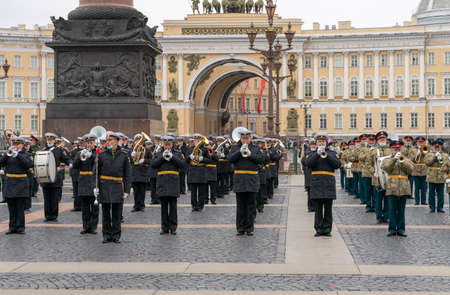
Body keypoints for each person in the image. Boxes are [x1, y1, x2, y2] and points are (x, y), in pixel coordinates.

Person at [227, 128, 263, 236]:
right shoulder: (235, 148)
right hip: (240, 180)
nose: (245, 140)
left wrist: (250, 154)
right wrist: (240, 152)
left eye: (247, 138)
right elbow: (230, 159)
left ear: (250, 138)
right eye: (243, 138)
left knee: (251, 205)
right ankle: (240, 228)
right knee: (240, 205)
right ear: (241, 139)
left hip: (252, 180)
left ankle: (249, 228)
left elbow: (261, 159)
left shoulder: (255, 148)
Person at [98, 132, 131, 243]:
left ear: (117, 141)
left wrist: (126, 190)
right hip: (105, 186)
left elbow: (127, 174)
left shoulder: (123, 155)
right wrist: (95, 187)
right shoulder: (102, 155)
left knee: (117, 213)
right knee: (106, 213)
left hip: (118, 187)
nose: (108, 142)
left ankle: (116, 235)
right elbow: (96, 173)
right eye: (108, 141)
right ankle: (106, 235)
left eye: (111, 140)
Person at [305, 133, 340, 237]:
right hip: (317, 183)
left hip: (328, 183)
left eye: (323, 142)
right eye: (319, 142)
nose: (321, 143)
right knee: (318, 208)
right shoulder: (312, 153)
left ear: (326, 143)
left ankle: (327, 229)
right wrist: (317, 154)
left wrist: (327, 155)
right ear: (316, 143)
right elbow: (308, 164)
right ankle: (319, 229)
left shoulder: (332, 153)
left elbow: (337, 164)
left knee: (328, 208)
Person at [152, 135, 185, 235]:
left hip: (173, 182)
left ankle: (173, 227)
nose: (167, 147)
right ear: (163, 144)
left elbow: (182, 165)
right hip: (162, 182)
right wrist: (162, 157)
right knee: (164, 207)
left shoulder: (177, 153)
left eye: (169, 144)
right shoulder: (158, 153)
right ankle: (164, 227)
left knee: (173, 207)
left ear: (172, 144)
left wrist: (172, 157)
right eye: (165, 144)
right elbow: (153, 165)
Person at [0, 136, 34, 234]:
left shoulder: (26, 154)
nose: (15, 146)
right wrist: (7, 155)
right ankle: (12, 227)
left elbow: (28, 165)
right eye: (13, 144)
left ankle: (20, 227)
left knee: (19, 207)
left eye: (17, 144)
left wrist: (18, 156)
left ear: (22, 145)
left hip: (21, 183)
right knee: (11, 208)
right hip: (10, 183)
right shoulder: (8, 154)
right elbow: (1, 162)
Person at [381, 140, 414, 237]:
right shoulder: (387, 159)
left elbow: (411, 170)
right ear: (392, 149)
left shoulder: (406, 159)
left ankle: (400, 229)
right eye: (395, 149)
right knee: (392, 209)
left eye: (398, 149)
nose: (396, 151)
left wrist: (402, 161)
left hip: (403, 187)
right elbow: (385, 168)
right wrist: (393, 159)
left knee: (401, 209)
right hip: (392, 187)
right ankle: (392, 229)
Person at [73, 133, 99, 235]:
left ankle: (93, 227)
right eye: (88, 143)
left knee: (94, 206)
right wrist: (79, 156)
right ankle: (86, 226)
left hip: (93, 181)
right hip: (83, 181)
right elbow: (75, 165)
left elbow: (99, 162)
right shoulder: (81, 152)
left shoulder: (98, 151)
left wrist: (91, 156)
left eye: (91, 143)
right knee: (85, 207)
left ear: (94, 143)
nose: (89, 145)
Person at [41, 133, 70, 222]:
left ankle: (53, 215)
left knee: (54, 198)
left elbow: (66, 159)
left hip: (55, 177)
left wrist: (71, 163)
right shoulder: (43, 150)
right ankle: (47, 215)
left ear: (54, 140)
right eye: (48, 139)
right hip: (45, 177)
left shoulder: (59, 150)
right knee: (46, 198)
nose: (49, 141)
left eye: (51, 140)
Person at [186, 134, 212, 212]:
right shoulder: (190, 149)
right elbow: (185, 161)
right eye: (195, 140)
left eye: (198, 140)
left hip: (201, 170)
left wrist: (203, 159)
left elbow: (209, 160)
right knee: (193, 191)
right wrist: (189, 157)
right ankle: (194, 205)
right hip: (193, 170)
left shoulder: (204, 149)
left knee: (201, 190)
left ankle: (201, 205)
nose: (196, 142)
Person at [424, 139, 448, 213]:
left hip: (441, 176)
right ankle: (432, 208)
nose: (437, 148)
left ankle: (440, 208)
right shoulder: (429, 154)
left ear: (441, 147)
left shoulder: (445, 155)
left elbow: (446, 164)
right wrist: (434, 157)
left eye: (438, 147)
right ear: (433, 147)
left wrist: (440, 158)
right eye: (435, 147)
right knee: (431, 194)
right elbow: (427, 163)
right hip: (431, 176)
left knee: (440, 194)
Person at [130, 134, 152, 212]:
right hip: (135, 173)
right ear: (134, 141)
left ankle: (142, 205)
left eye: (140, 140)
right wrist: (131, 156)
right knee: (135, 191)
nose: (138, 141)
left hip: (143, 172)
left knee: (142, 191)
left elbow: (151, 161)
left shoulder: (147, 150)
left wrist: (144, 160)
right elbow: (128, 162)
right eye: (137, 140)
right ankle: (136, 205)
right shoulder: (132, 150)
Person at [410, 136, 428, 205]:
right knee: (416, 187)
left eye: (421, 142)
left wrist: (422, 150)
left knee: (424, 187)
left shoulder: (425, 148)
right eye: (419, 142)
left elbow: (427, 156)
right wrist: (417, 154)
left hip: (424, 170)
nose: (420, 143)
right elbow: (411, 158)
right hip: (416, 170)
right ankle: (417, 201)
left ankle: (423, 201)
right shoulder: (413, 149)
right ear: (416, 142)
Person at [301, 139, 315, 212]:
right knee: (310, 192)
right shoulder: (307, 152)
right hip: (309, 174)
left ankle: (315, 206)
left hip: (316, 175)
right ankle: (310, 207)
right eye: (312, 144)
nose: (313, 145)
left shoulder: (318, 152)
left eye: (314, 144)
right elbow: (303, 161)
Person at [70, 139, 82, 212]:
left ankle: (82, 206)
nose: (80, 144)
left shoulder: (86, 151)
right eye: (79, 143)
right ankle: (76, 206)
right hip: (75, 173)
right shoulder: (74, 151)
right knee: (75, 191)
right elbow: (70, 160)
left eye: (82, 142)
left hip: (82, 174)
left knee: (82, 191)